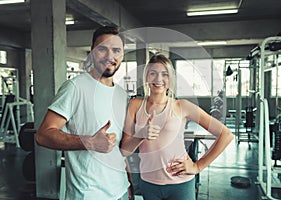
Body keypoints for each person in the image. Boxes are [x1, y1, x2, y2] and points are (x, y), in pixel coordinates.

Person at [36, 26, 132, 200]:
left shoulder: (122, 95)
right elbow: (43, 135)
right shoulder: (75, 87)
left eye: (116, 50)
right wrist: (90, 142)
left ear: (122, 55)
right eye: (102, 49)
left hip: (121, 190)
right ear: (92, 52)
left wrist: (129, 182)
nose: (110, 56)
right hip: (88, 193)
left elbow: (117, 148)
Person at [120, 53, 234, 200]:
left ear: (171, 78)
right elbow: (124, 151)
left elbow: (226, 135)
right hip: (149, 183)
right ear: (146, 77)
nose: (158, 79)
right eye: (153, 73)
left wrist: (197, 166)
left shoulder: (182, 106)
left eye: (164, 74)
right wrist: (141, 134)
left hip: (181, 184)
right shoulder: (135, 105)